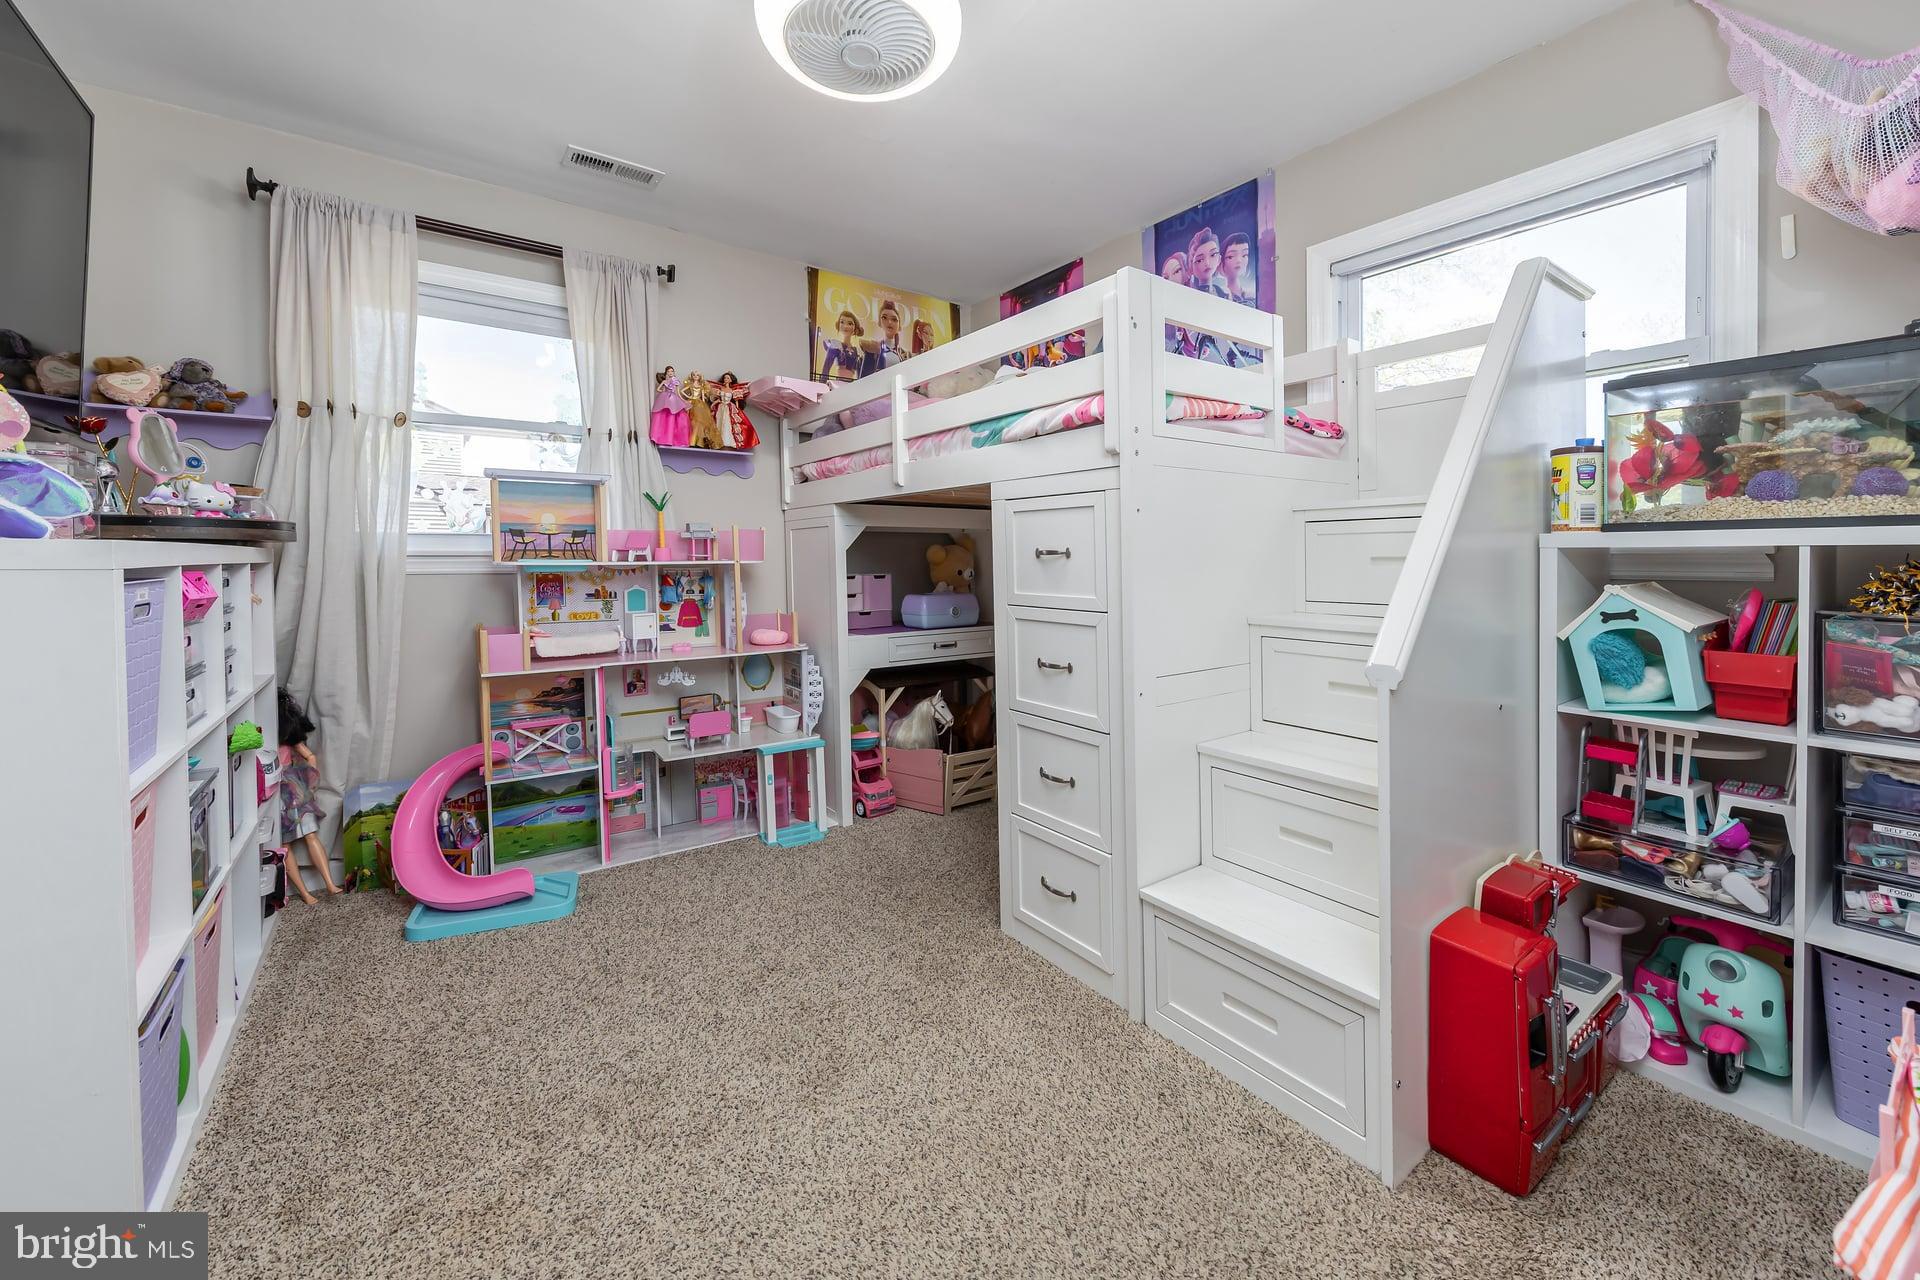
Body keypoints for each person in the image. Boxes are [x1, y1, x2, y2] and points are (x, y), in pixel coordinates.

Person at [277, 688, 341, 903]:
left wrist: (309, 783)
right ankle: (304, 893)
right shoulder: (266, 736)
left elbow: (310, 756)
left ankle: (330, 884)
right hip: (274, 794)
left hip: (292, 790)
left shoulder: (285, 737)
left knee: (309, 835)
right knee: (285, 845)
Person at [819, 310, 866, 382]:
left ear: (855, 328)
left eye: (850, 323)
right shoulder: (835, 345)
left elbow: (861, 375)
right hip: (838, 386)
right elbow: (826, 369)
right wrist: (822, 386)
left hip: (852, 386)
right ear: (838, 325)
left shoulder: (858, 351)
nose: (845, 326)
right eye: (842, 322)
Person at [1185, 227, 1231, 297]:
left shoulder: (1224, 294)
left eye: (1213, 255)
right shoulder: (1190, 294)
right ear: (1191, 267)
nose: (1207, 263)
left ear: (1219, 259)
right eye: (1199, 260)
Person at [1222, 231, 1255, 306]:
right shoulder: (1220, 293)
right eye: (1231, 256)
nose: (1239, 260)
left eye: (1244, 255)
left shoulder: (1251, 295)